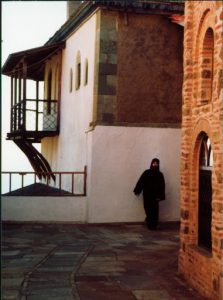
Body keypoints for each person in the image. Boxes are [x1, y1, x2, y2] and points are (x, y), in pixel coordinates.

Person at [133, 158, 165, 230]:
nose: (155, 165)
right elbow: (141, 182)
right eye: (154, 163)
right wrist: (137, 191)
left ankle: (153, 225)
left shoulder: (160, 175)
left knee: (154, 210)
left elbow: (162, 186)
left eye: (157, 163)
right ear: (151, 164)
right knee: (147, 208)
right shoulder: (146, 172)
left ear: (158, 165)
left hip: (155, 196)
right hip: (147, 195)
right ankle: (149, 221)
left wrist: (160, 196)